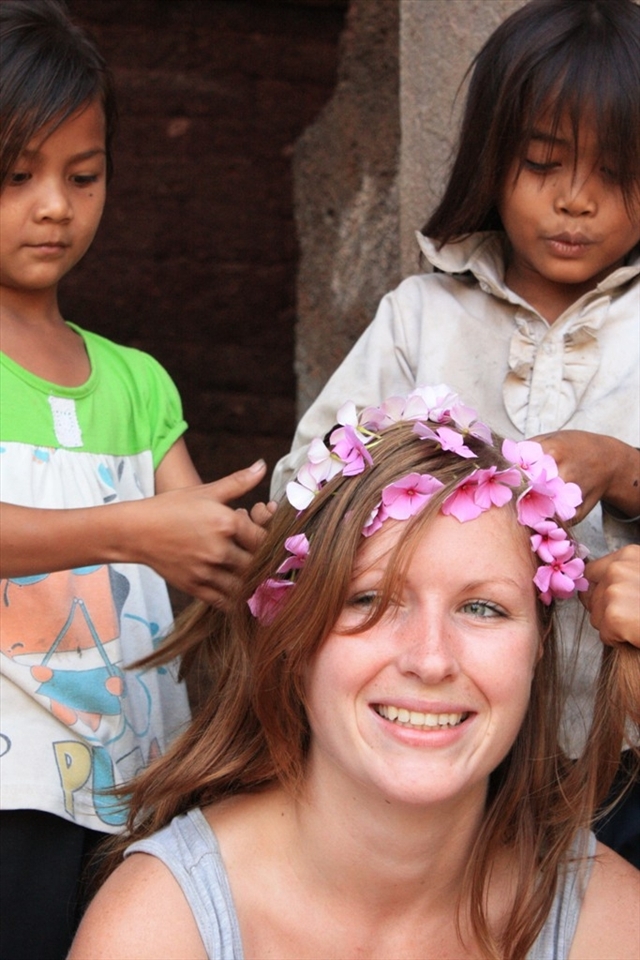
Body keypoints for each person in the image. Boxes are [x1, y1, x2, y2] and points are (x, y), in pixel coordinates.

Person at [69, 386, 640, 960]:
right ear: (294, 633)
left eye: (482, 608)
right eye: (369, 599)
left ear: (539, 645)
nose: (430, 659)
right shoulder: (158, 925)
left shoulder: (611, 922)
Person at [270, 0, 640, 860]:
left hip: (619, 754)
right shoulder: (420, 316)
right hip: (438, 730)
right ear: (491, 161)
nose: (575, 200)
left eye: (615, 172)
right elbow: (307, 485)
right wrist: (435, 471)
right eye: (544, 163)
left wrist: (621, 469)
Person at [0, 2, 266, 957]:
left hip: (131, 785)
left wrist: (252, 544)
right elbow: (149, 530)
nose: (55, 207)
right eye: (15, 175)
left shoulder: (137, 380)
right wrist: (132, 530)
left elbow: (194, 546)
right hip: (9, 790)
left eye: (83, 174)